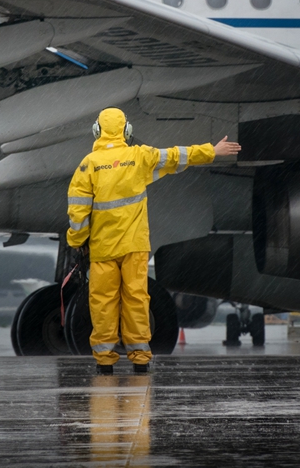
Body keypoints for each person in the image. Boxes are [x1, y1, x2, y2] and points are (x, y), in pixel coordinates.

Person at [66, 107, 241, 374]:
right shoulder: (139, 156)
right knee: (136, 299)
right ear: (127, 131)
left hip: (103, 249)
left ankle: (104, 361)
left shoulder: (87, 165)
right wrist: (212, 151)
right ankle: (139, 358)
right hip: (134, 247)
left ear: (97, 131)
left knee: (103, 302)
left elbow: (77, 212)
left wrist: (77, 240)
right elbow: (175, 156)